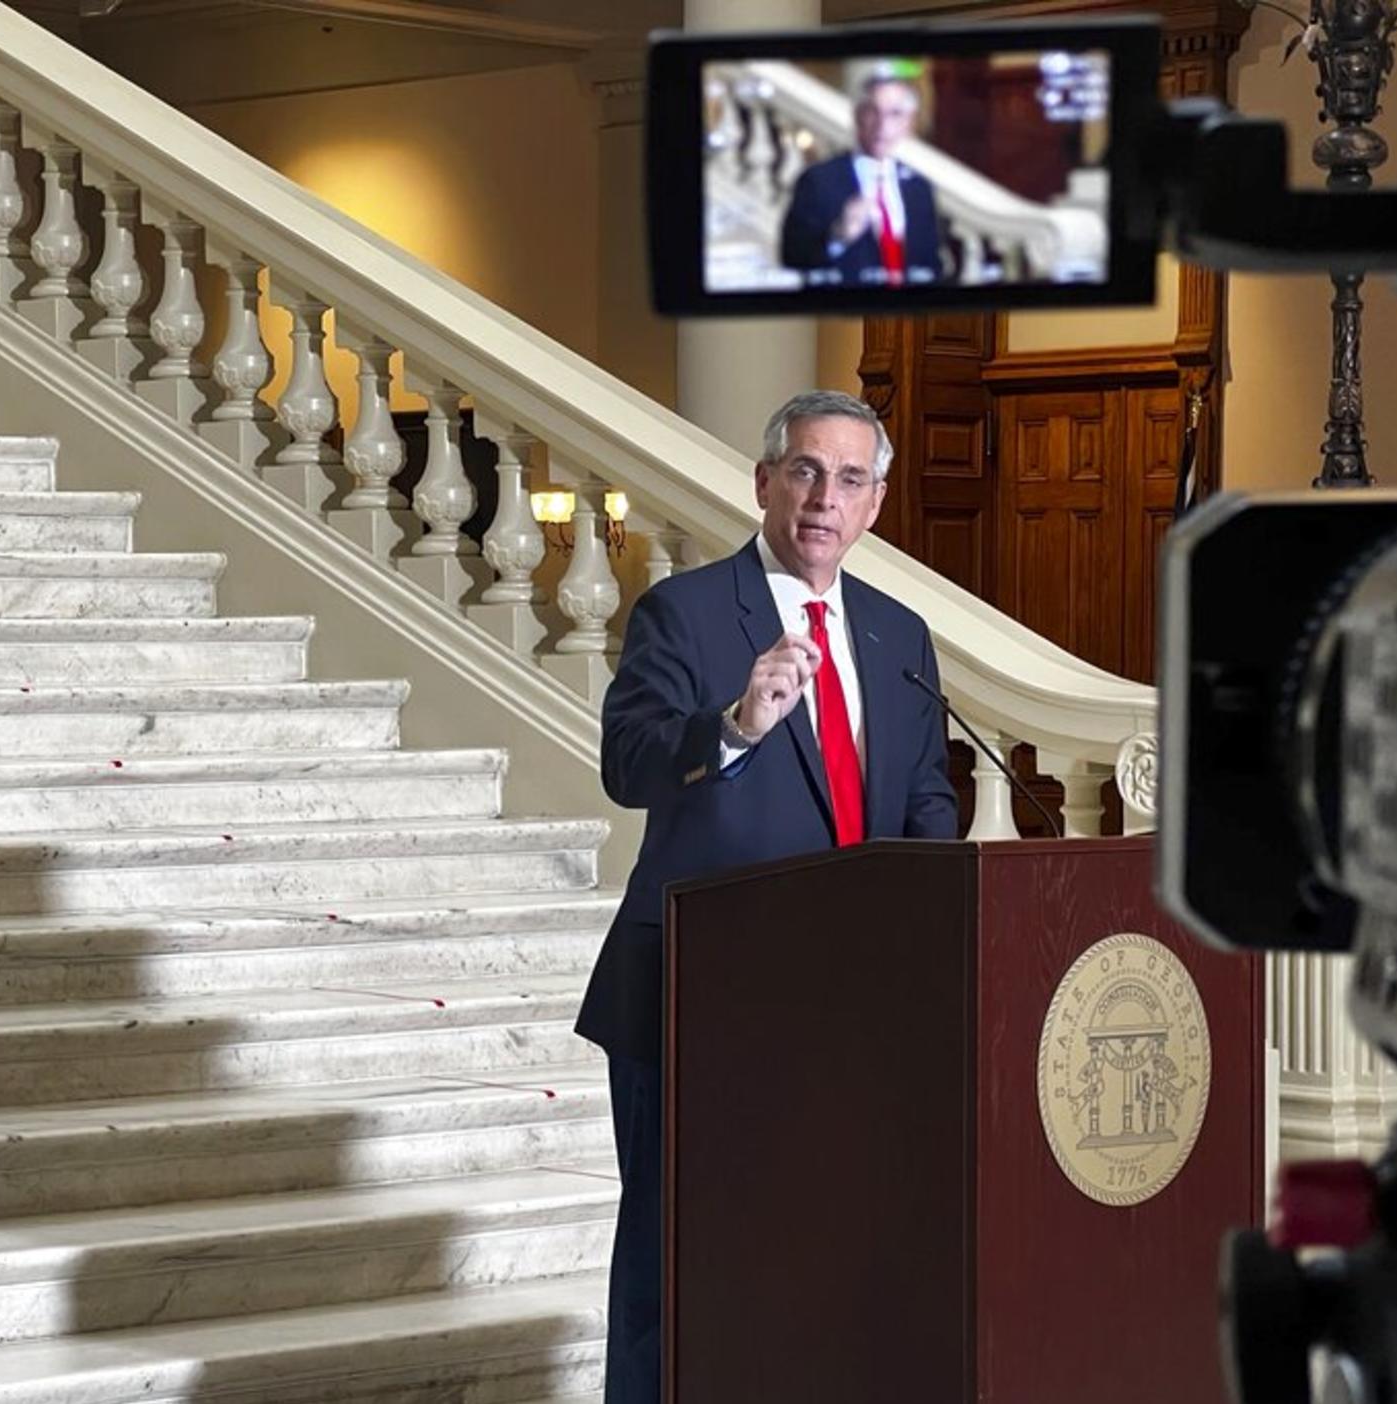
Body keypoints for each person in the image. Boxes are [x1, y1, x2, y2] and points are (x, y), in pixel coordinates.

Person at [576, 389, 959, 1404]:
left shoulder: (898, 635)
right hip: (696, 994)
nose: (823, 498)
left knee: (824, 1255)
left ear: (874, 504)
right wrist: (736, 725)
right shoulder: (687, 611)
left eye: (849, 480)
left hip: (848, 1009)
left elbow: (924, 798)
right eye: (804, 471)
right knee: (674, 1258)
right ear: (763, 483)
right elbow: (627, 763)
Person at [779, 73, 945, 285]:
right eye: (873, 112)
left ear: (909, 124)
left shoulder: (919, 187)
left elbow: (931, 266)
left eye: (895, 114)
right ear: (858, 116)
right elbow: (792, 258)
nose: (882, 125)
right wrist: (838, 237)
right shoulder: (818, 181)